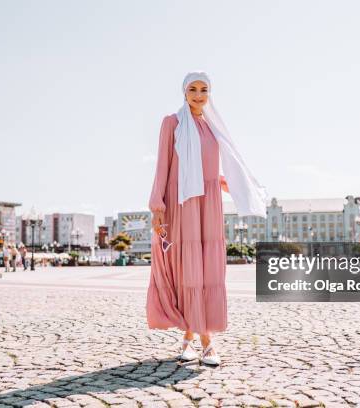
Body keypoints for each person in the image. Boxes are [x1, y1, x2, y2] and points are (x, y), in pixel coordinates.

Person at [146, 71, 267, 366]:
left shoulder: (212, 127)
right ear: (184, 92)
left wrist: (225, 181)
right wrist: (157, 206)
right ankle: (207, 342)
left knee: (207, 273)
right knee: (189, 272)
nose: (198, 95)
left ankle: (190, 337)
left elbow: (207, 164)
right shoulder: (172, 123)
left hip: (209, 203)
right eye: (192, 89)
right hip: (182, 203)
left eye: (204, 90)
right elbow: (163, 166)